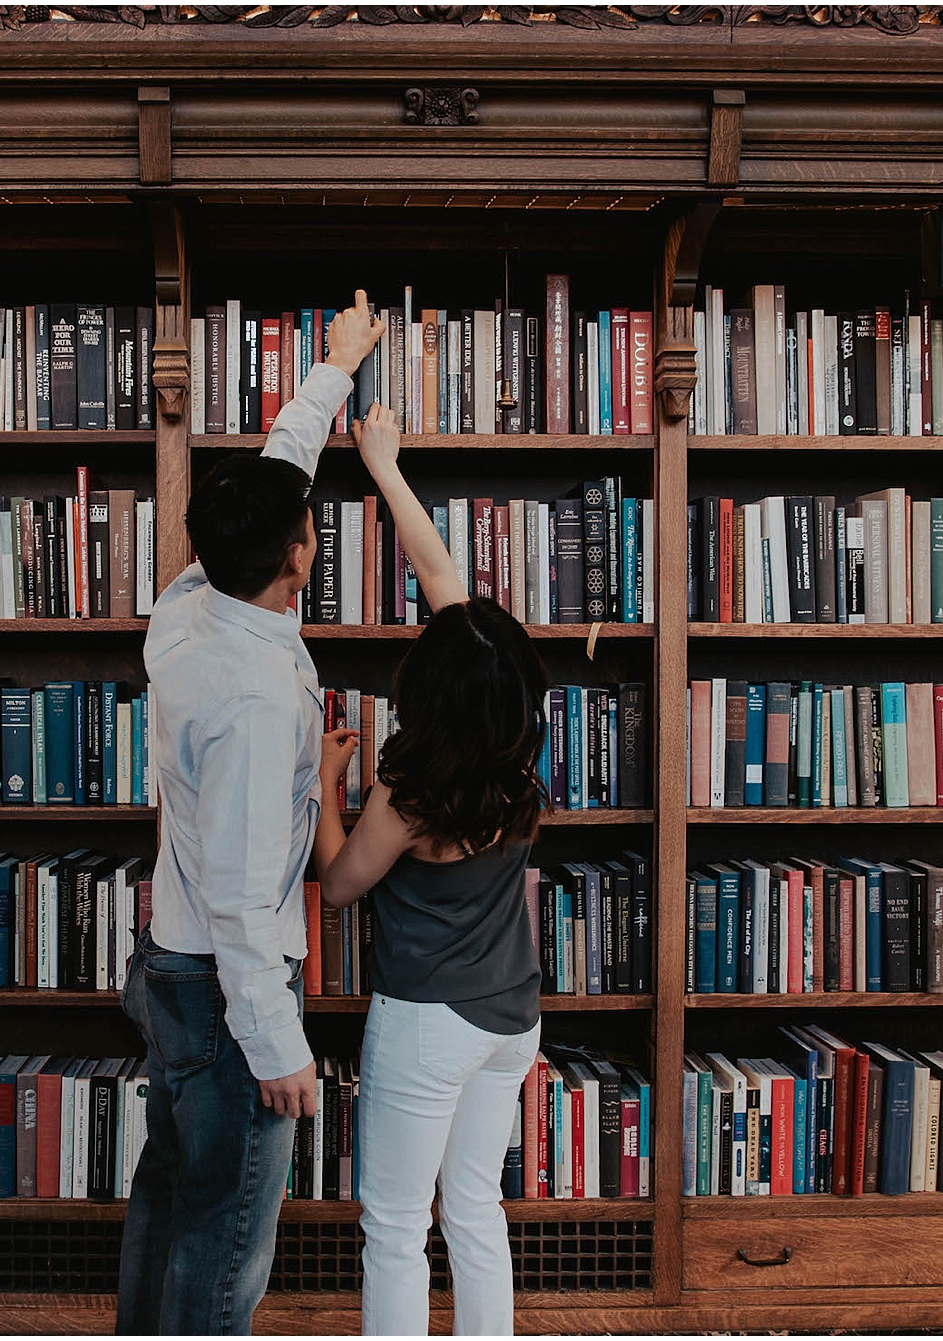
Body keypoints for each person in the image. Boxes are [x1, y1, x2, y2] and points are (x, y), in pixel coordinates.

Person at [117, 291, 385, 1336]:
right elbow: (237, 896)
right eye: (309, 531)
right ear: (295, 560)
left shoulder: (189, 599)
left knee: (170, 1191)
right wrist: (275, 1048)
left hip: (170, 965)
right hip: (225, 995)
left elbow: (281, 470)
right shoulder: (255, 699)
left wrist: (334, 369)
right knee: (226, 1238)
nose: (312, 533)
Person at [312, 401, 548, 1337]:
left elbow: (338, 885)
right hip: (512, 1017)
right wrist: (387, 469)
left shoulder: (412, 790)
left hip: (429, 1023)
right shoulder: (514, 740)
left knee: (398, 1226)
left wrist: (327, 787)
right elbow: (445, 578)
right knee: (478, 1212)